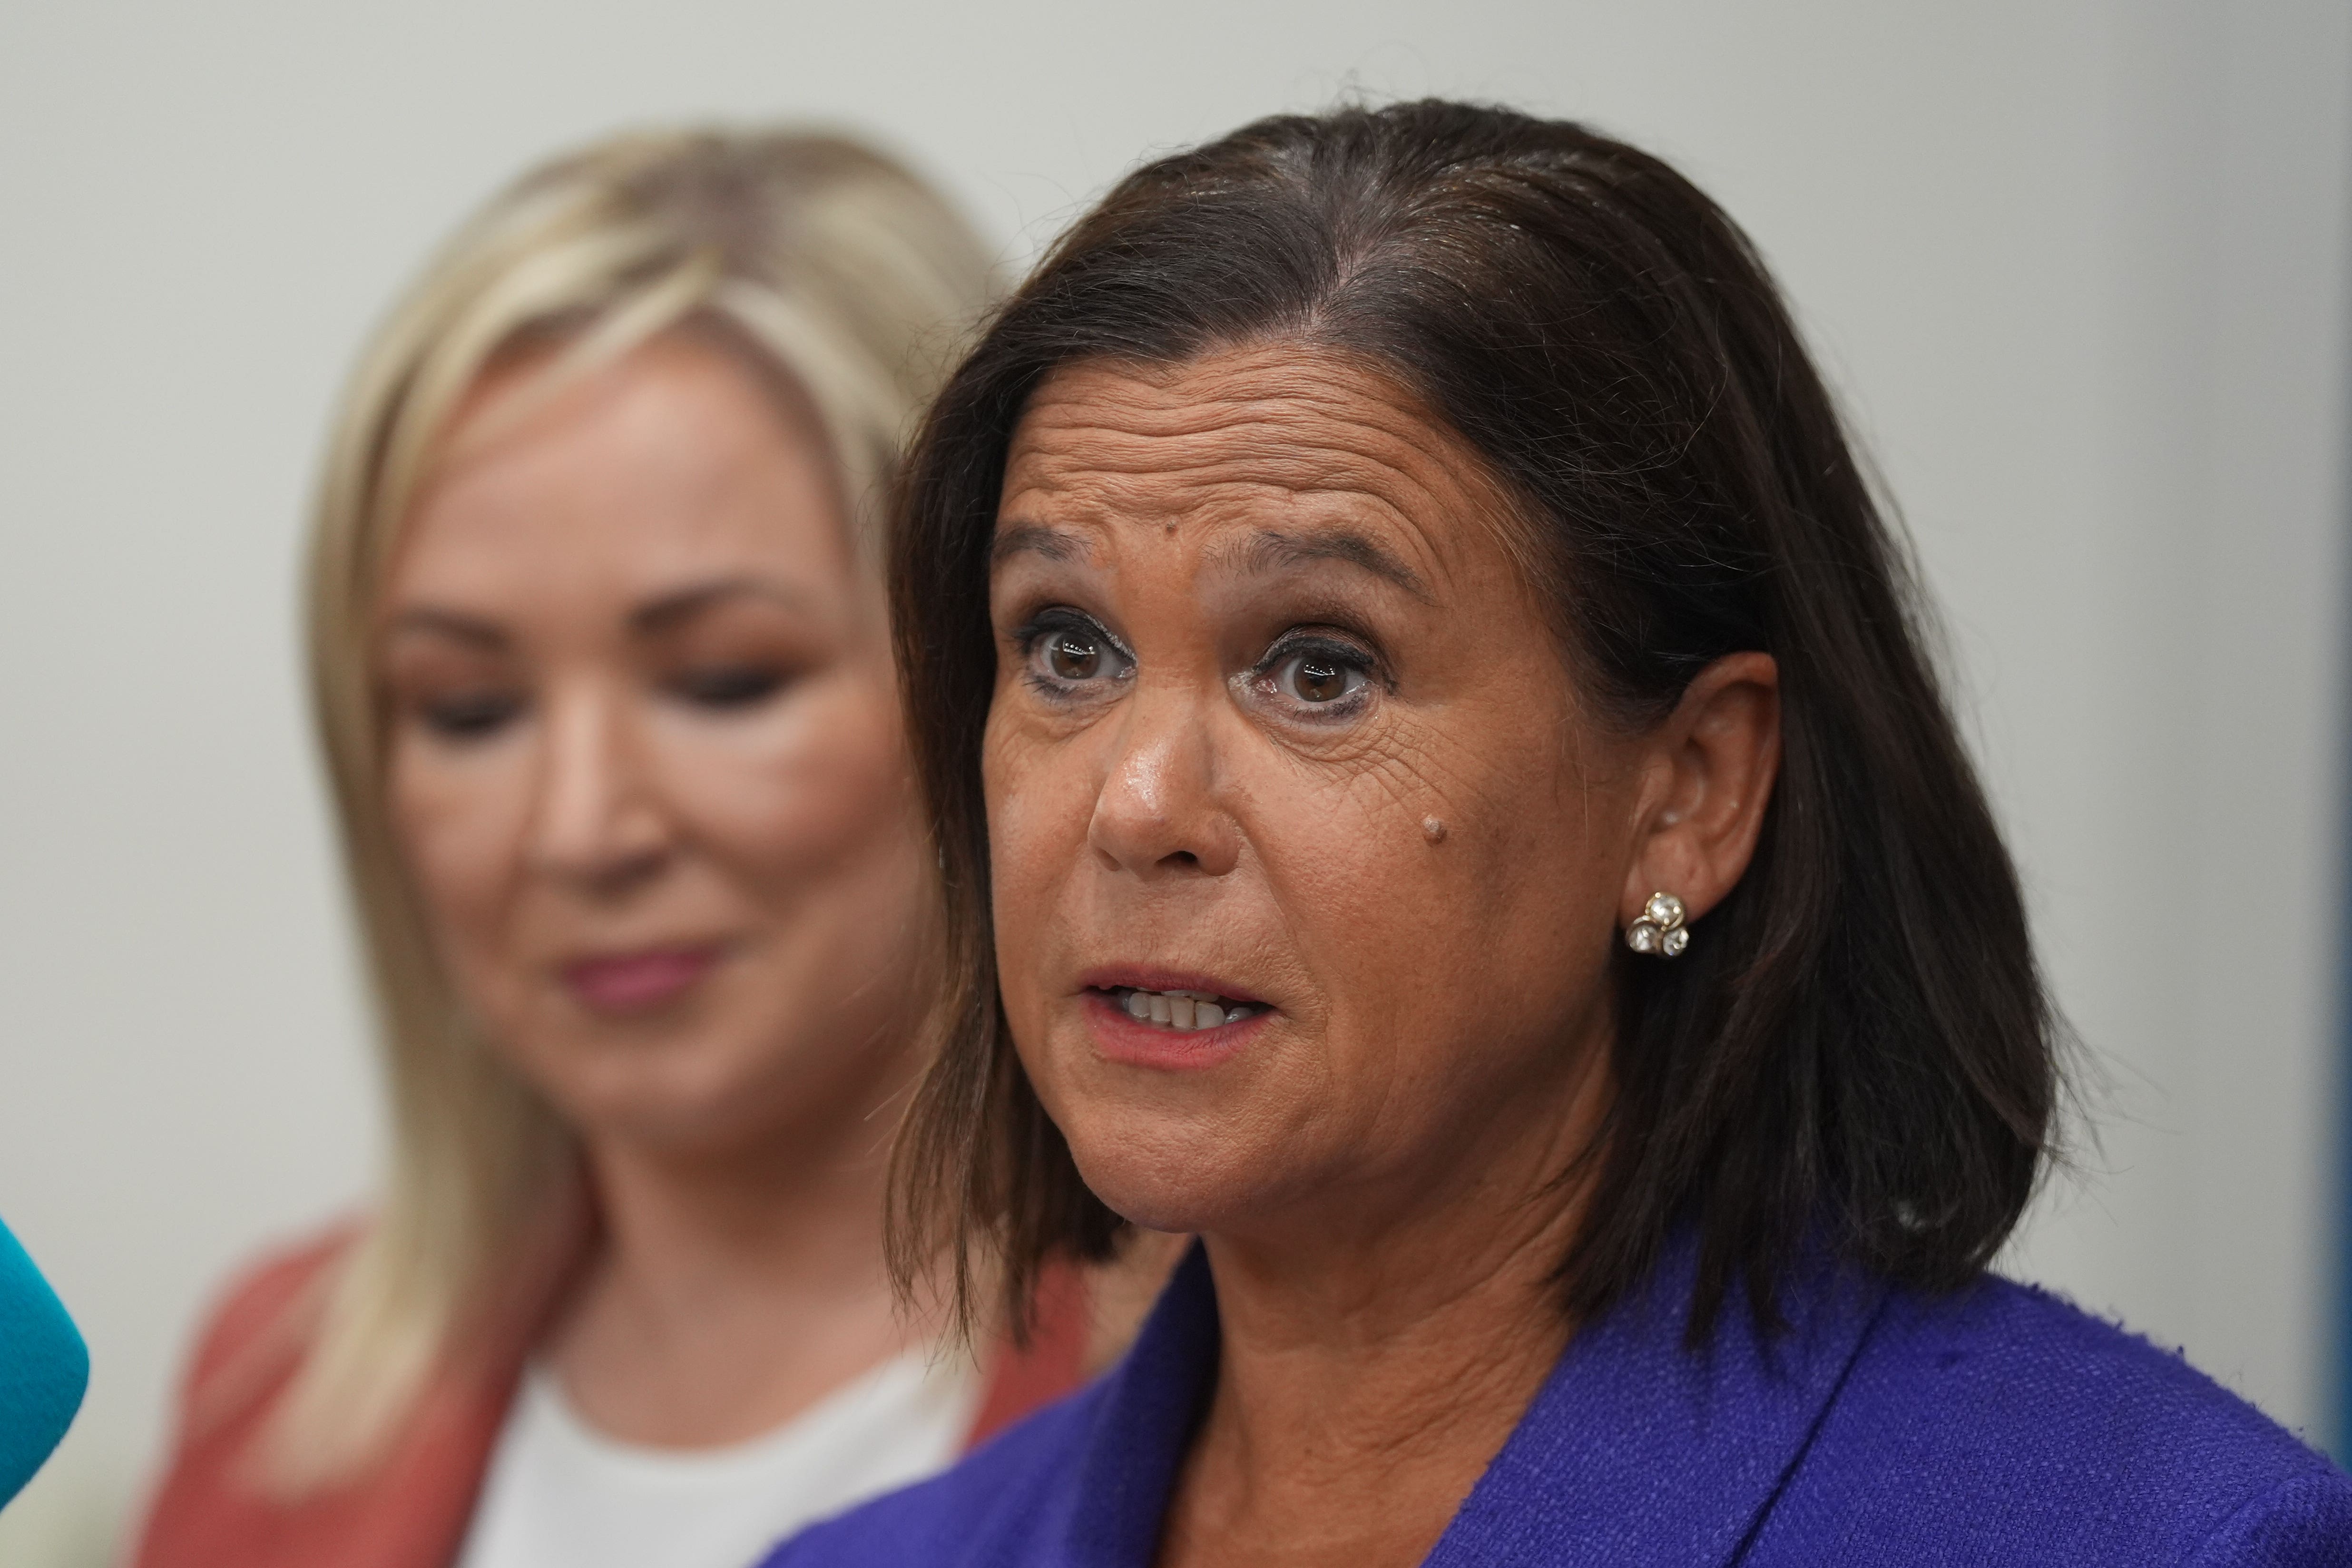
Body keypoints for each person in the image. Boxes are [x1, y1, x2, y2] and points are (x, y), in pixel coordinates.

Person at [762, 101, 2352, 1568]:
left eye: (1320, 667)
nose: (1135, 806)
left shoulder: (2160, 1542)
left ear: (1689, 795)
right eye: (1067, 649)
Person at [133, 128, 1131, 1568]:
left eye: (724, 680)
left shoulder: (1252, 1392)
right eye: (469, 709)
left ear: (984, 674)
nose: (582, 828)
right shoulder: (271, 1389)